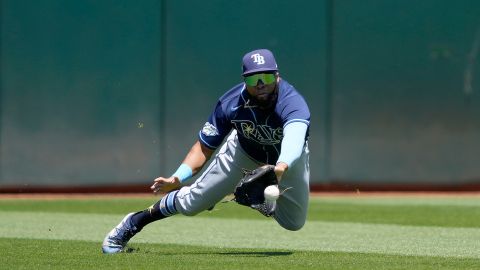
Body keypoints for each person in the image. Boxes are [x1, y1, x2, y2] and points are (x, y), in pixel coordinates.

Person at [102, 49, 311, 254]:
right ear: (244, 80)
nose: (260, 84)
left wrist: (280, 168)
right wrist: (178, 177)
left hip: (288, 161)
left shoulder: (292, 102)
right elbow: (203, 147)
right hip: (243, 154)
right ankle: (133, 222)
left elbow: (294, 139)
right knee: (192, 203)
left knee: (293, 223)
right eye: (252, 79)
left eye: (265, 76)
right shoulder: (230, 104)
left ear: (277, 76)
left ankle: (257, 199)